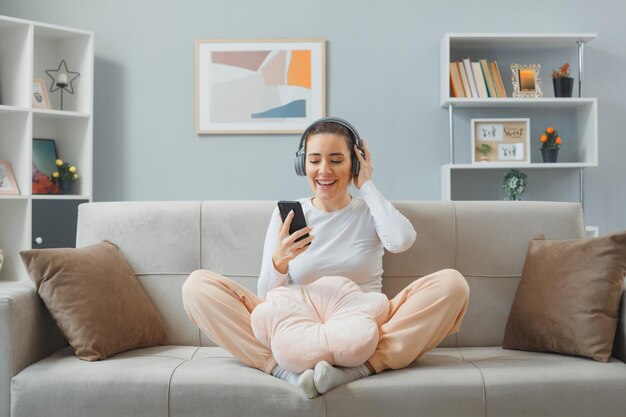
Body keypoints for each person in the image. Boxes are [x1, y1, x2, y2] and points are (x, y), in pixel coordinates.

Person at [182, 118, 469, 398]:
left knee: (452, 285)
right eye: (314, 160)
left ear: (354, 164)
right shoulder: (287, 215)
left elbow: (402, 240)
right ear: (302, 164)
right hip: (292, 325)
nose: (323, 170)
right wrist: (278, 263)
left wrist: (366, 185)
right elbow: (266, 300)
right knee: (197, 287)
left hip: (367, 324)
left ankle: (358, 369)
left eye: (336, 160)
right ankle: (286, 372)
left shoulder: (370, 210)